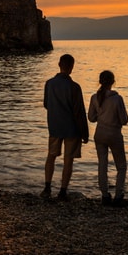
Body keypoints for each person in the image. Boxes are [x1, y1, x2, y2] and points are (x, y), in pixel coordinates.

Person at [42, 54, 89, 201]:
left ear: (59, 64)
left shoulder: (49, 83)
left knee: (51, 156)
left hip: (55, 126)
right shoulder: (74, 87)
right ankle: (63, 191)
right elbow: (79, 112)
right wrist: (85, 133)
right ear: (72, 67)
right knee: (68, 160)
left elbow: (46, 104)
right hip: (72, 129)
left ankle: (47, 187)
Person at [88, 70, 128, 206]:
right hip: (114, 134)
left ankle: (105, 195)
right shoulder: (117, 99)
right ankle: (118, 196)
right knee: (121, 166)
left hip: (99, 134)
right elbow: (124, 120)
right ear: (113, 82)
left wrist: (101, 115)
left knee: (102, 164)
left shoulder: (95, 97)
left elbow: (91, 118)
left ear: (100, 82)